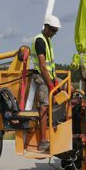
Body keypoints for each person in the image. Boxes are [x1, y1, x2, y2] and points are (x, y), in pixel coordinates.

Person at [30, 14, 60, 153]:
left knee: (69, 88)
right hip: (40, 76)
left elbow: (50, 66)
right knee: (43, 107)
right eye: (53, 30)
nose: (54, 33)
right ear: (46, 27)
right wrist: (51, 85)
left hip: (49, 76)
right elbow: (42, 66)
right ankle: (43, 142)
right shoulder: (40, 41)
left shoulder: (48, 40)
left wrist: (55, 80)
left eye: (56, 31)